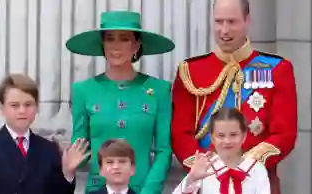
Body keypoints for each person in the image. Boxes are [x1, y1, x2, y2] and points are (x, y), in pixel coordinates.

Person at [171, 0, 297, 194]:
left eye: (232, 21)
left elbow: (284, 134)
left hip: (258, 181)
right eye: (218, 22)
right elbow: (180, 134)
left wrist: (246, 167)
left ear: (247, 21)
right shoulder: (191, 71)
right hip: (206, 182)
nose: (224, 30)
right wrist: (212, 169)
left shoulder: (277, 70)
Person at [67, 11, 175, 194]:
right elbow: (80, 147)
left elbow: (164, 150)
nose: (115, 46)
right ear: (102, 44)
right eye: (110, 38)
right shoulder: (83, 90)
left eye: (124, 39)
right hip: (98, 189)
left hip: (142, 189)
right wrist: (66, 160)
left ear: (136, 45)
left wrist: (149, 191)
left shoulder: (159, 90)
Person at [0, 74, 90, 194]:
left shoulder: (49, 149)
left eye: (28, 105)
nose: (22, 111)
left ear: (36, 107)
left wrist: (68, 173)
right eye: (14, 105)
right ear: (2, 108)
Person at [172, 108, 270, 194]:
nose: (227, 141)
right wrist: (191, 179)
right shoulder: (205, 167)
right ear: (212, 138)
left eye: (233, 135)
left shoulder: (257, 170)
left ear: (243, 136)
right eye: (221, 136)